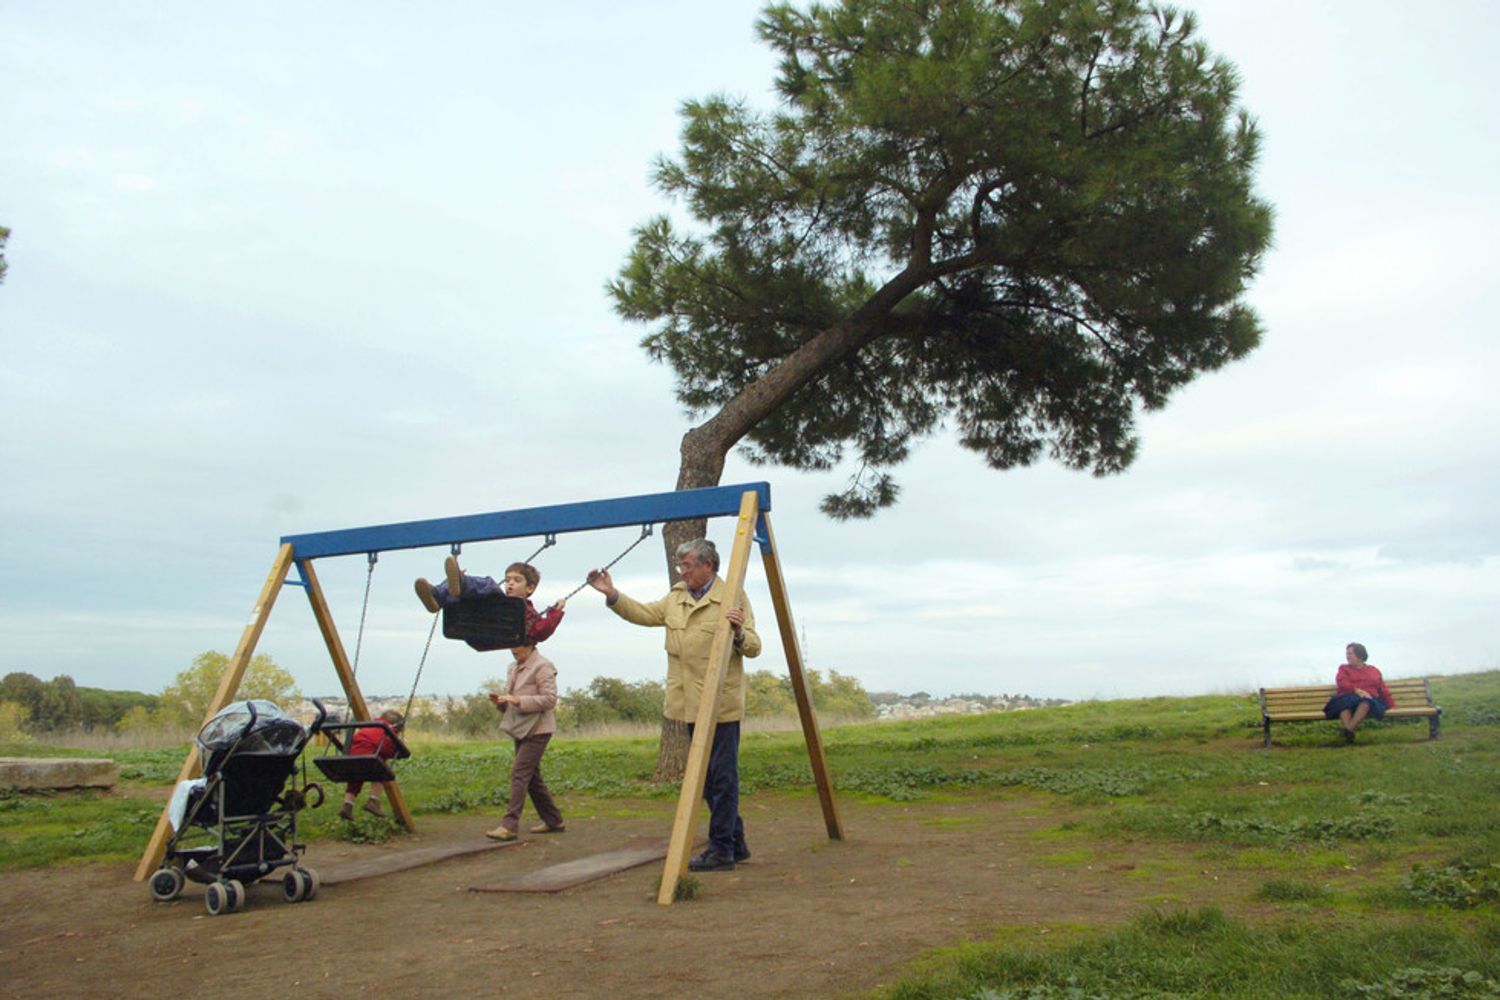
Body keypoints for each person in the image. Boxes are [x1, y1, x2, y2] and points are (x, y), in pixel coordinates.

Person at [588, 538, 760, 872]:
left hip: (720, 704)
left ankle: (722, 849)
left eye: (688, 565)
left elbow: (754, 646)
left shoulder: (732, 596)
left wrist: (738, 633)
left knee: (722, 778)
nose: (682, 571)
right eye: (680, 565)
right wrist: (611, 593)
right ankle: (736, 843)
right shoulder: (676, 597)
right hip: (686, 703)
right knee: (707, 780)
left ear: (708, 565)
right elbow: (644, 613)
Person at [484, 643, 566, 840]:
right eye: (511, 646)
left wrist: (518, 700)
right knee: (531, 778)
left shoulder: (543, 666)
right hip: (521, 728)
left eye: (518, 646)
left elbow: (549, 700)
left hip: (539, 729)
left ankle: (509, 825)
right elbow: (511, 700)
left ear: (530, 644)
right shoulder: (512, 667)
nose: (513, 650)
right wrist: (502, 703)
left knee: (520, 773)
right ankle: (554, 820)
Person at [415, 557, 565, 645]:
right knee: (467, 599)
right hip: (480, 622)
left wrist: (555, 612)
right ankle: (437, 595)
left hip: (497, 625)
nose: (510, 584)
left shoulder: (523, 610)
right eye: (507, 580)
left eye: (516, 580)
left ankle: (459, 584)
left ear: (530, 588)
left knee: (489, 585)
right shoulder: (507, 604)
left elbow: (542, 631)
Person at [338, 709, 405, 820]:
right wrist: (396, 751)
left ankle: (347, 804)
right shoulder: (387, 731)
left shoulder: (368, 727)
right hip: (369, 761)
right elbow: (387, 749)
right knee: (382, 772)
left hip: (351, 761)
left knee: (355, 780)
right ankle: (373, 800)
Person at [1323, 642, 1396, 743]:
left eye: (1350, 654)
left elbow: (1382, 688)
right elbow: (1342, 683)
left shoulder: (1373, 670)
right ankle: (1349, 735)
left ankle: (1348, 731)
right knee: (1343, 706)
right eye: (1347, 653)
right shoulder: (1344, 669)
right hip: (1348, 698)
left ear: (1360, 656)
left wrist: (1390, 703)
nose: (1347, 656)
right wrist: (1356, 690)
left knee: (1365, 702)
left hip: (1369, 701)